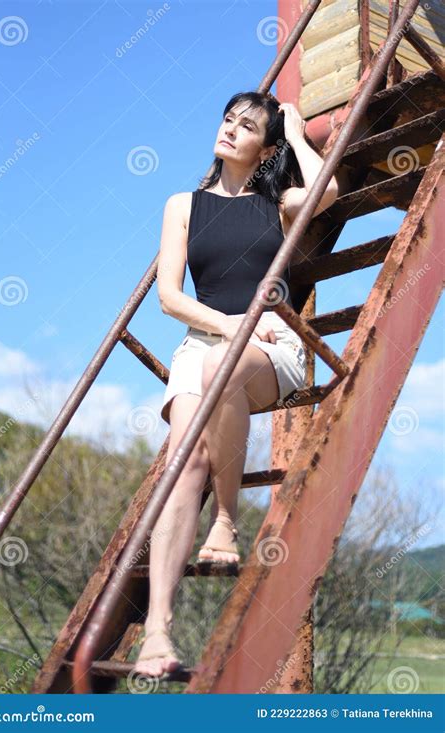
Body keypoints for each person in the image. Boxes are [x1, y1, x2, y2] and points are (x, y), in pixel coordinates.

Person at [133, 91, 339, 677]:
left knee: (224, 368)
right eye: (227, 119)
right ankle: (157, 635)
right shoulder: (183, 204)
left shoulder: (277, 204)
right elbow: (171, 297)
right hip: (207, 340)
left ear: (265, 147)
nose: (229, 130)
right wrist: (231, 325)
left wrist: (298, 135)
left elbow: (326, 193)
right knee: (182, 467)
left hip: (273, 348)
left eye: (247, 127)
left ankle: (225, 519)